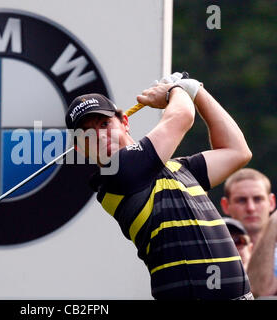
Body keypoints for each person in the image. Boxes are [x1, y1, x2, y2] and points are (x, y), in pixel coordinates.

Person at [65, 72, 253, 300]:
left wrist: (197, 91)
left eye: (105, 124)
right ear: (80, 149)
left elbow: (237, 151)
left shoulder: (178, 169)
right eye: (86, 135)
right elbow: (182, 116)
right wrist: (176, 90)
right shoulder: (117, 174)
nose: (101, 137)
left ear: (125, 122)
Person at [220, 168, 277, 296]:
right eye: (241, 200)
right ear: (225, 205)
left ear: (272, 202)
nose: (251, 208)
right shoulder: (215, 254)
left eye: (258, 199)